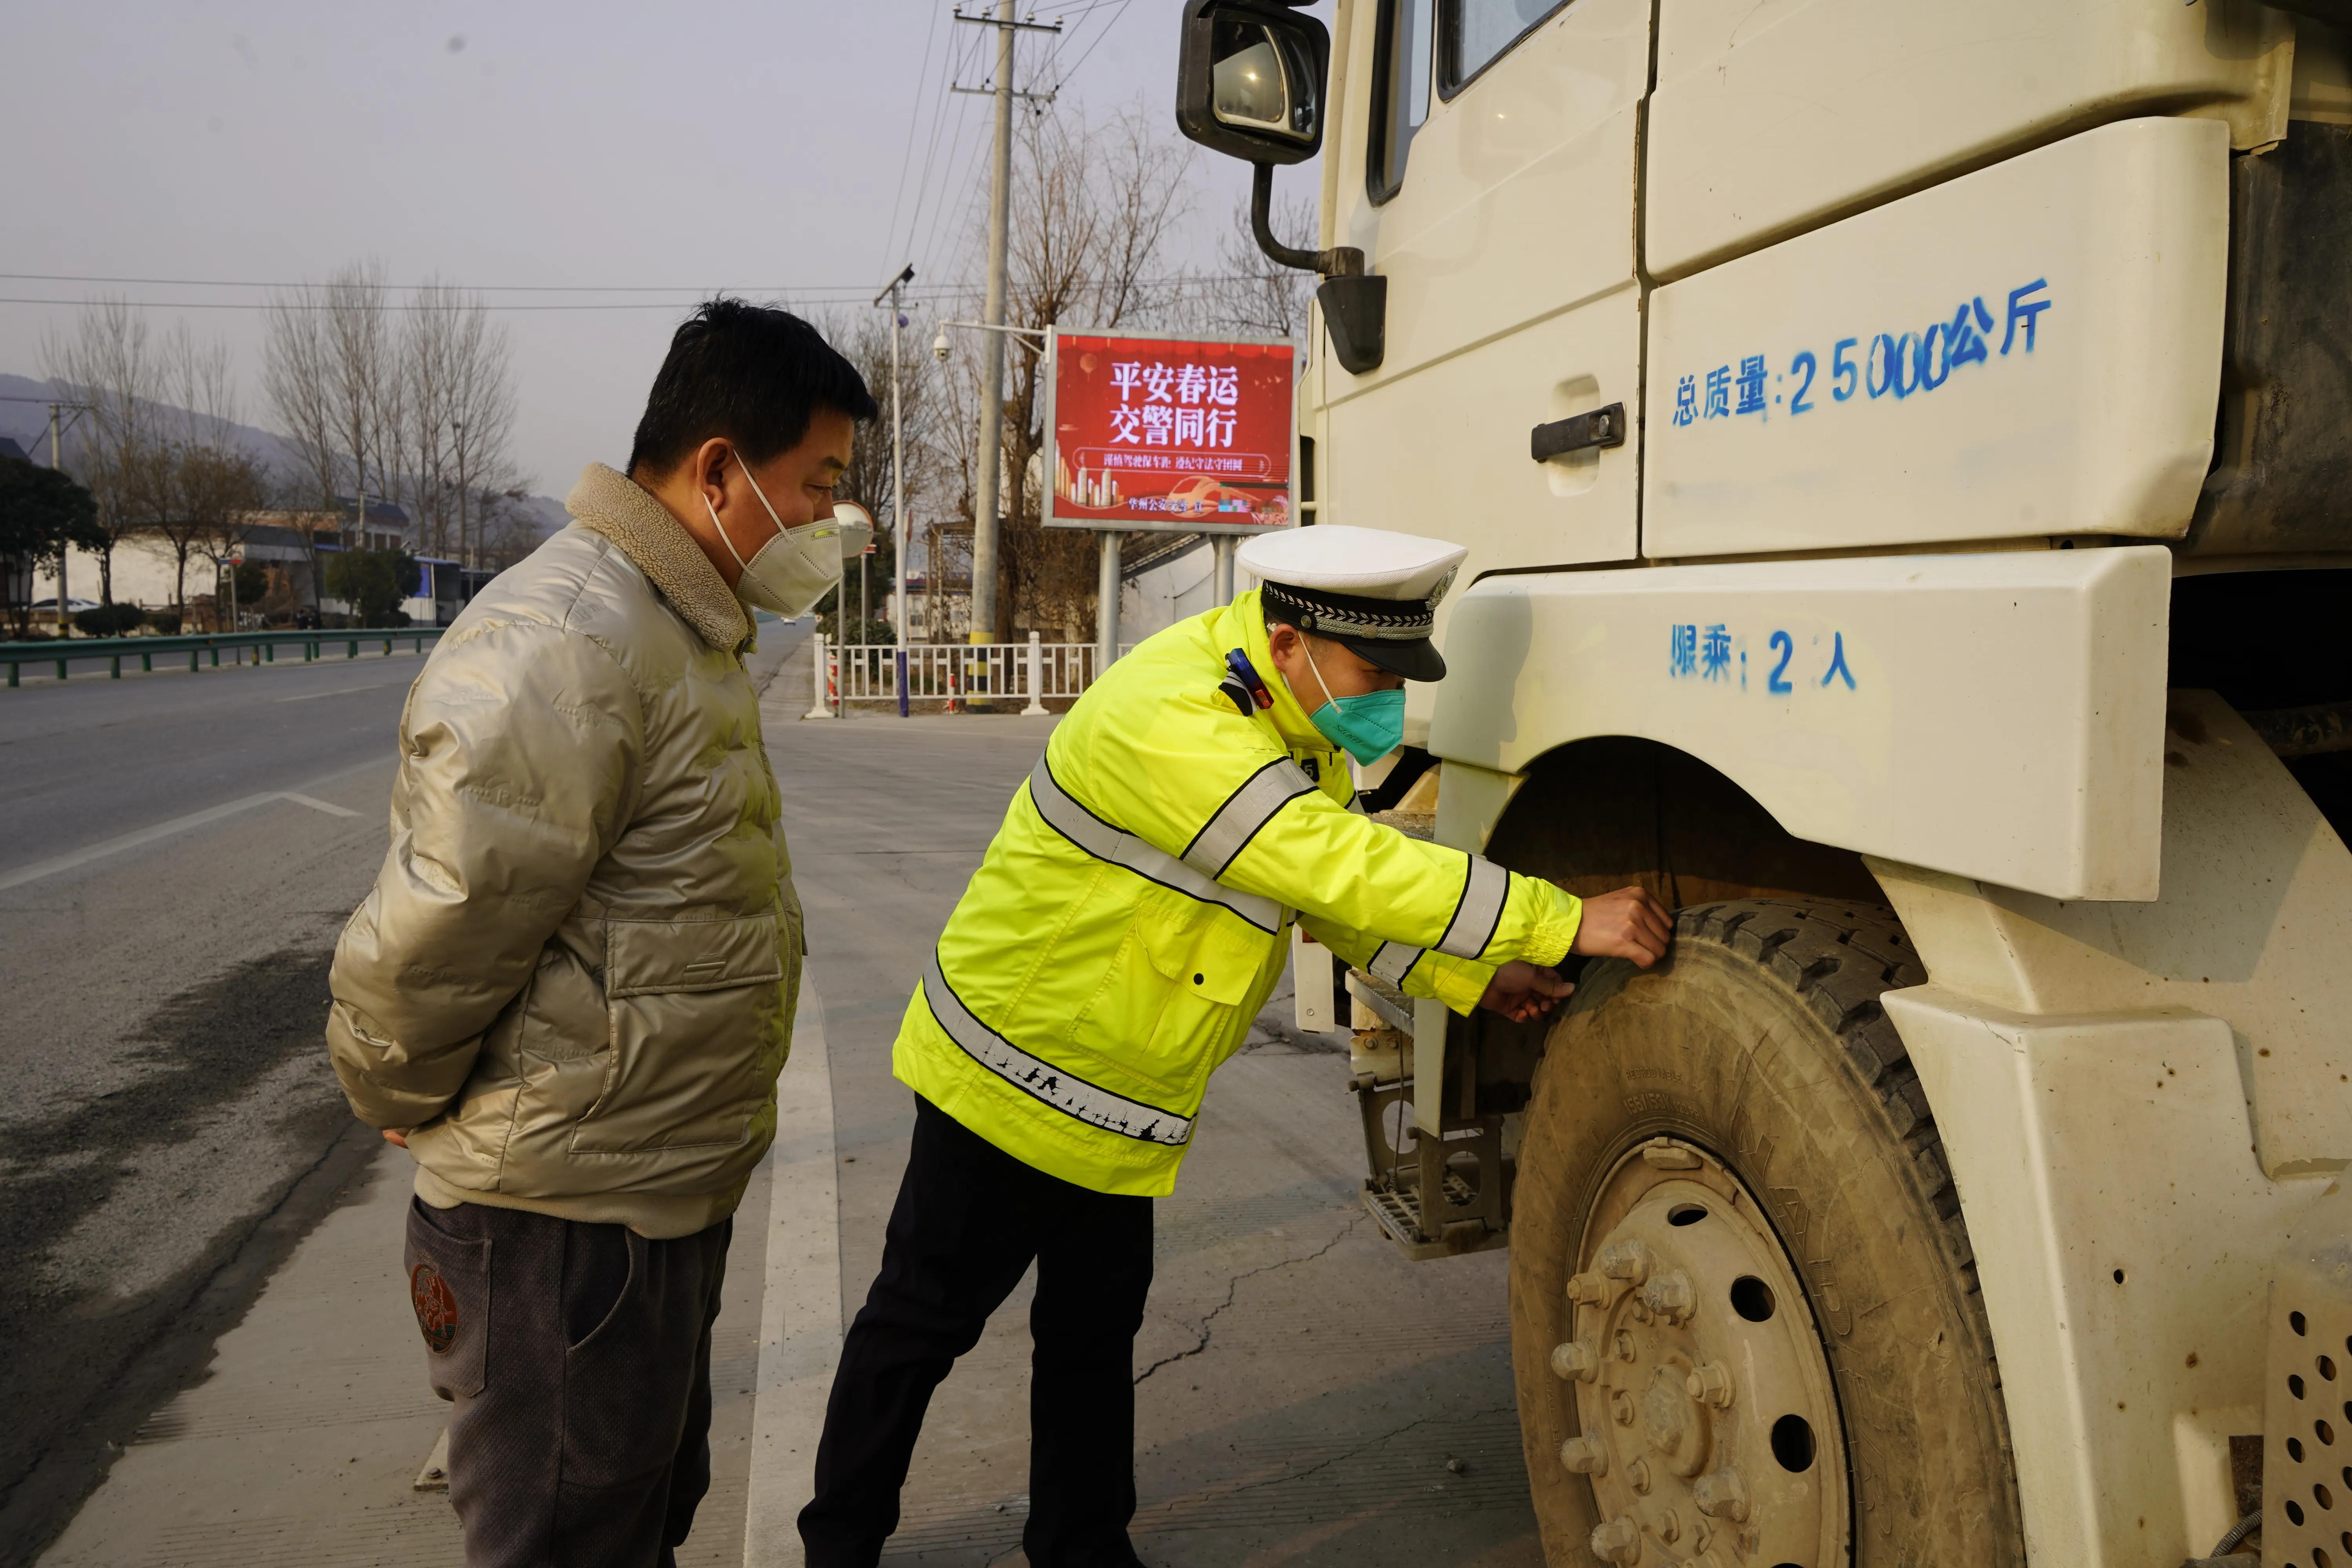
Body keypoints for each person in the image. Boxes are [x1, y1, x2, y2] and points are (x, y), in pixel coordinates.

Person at [797, 523, 1674, 1568]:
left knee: (1090, 1334)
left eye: (1402, 673)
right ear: (1291, 640)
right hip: (1013, 1071)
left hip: (1120, 1095)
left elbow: (1341, 911)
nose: (1389, 699)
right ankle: (837, 1544)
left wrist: (1478, 974)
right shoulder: (1179, 711)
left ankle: (1080, 1547)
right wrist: (1556, 920)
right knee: (921, 1323)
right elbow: (1326, 863)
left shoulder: (1292, 722)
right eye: (1373, 670)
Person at [325, 299, 878, 1568]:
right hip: (556, 1228)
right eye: (819, 484)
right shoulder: (573, 640)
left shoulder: (678, 622)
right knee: (564, 1539)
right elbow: (439, 928)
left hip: (641, 1191)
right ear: (720, 470)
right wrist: (391, 1085)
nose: (831, 521)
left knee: (631, 1520)